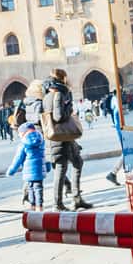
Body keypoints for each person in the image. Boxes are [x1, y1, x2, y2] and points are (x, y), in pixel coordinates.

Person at [45, 69, 92, 211]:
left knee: (77, 162)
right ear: (62, 79)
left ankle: (76, 198)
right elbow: (58, 117)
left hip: (60, 137)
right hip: (62, 137)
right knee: (61, 169)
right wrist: (69, 108)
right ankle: (58, 204)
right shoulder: (58, 94)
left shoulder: (47, 95)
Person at [7, 121, 50, 211]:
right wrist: (47, 166)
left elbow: (18, 159)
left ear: (23, 133)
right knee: (39, 188)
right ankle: (40, 206)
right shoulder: (41, 141)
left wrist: (11, 171)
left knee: (31, 188)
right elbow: (46, 155)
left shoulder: (23, 144)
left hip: (29, 172)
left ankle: (33, 205)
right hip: (40, 170)